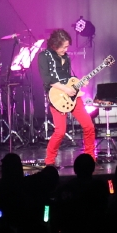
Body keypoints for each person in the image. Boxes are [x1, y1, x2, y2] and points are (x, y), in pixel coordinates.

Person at [39, 29, 96, 168]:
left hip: (72, 95)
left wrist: (80, 81)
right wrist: (65, 89)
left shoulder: (66, 57)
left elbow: (68, 78)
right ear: (54, 44)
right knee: (60, 131)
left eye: (67, 46)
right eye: (64, 47)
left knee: (89, 126)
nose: (66, 49)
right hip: (57, 97)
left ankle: (90, 158)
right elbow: (47, 79)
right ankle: (49, 161)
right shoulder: (44, 56)